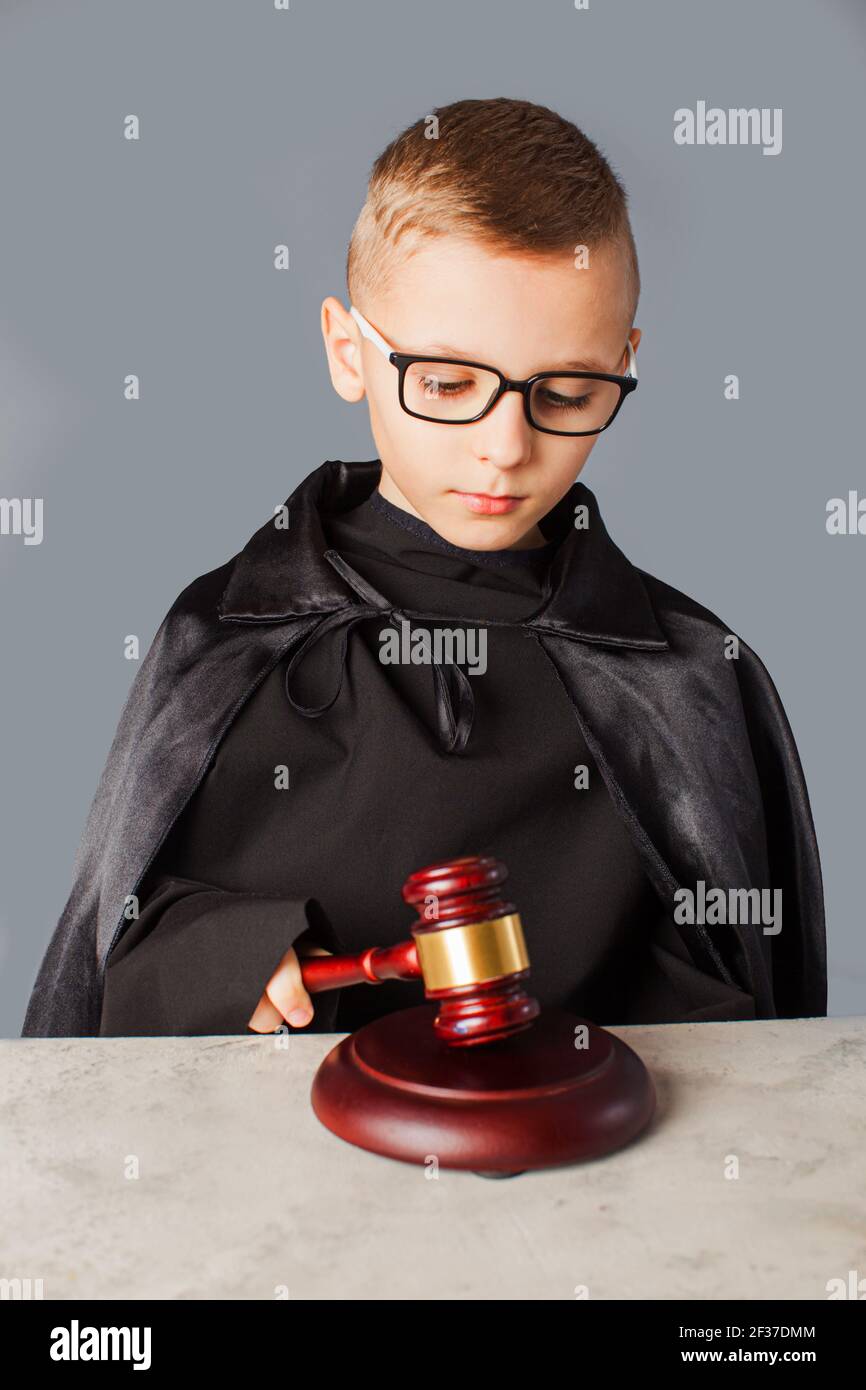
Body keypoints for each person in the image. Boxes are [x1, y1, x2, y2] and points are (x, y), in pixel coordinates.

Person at [22, 97, 826, 1039]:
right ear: (347, 350)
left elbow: (746, 1027)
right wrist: (223, 957)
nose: (505, 447)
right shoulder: (225, 635)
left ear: (625, 360)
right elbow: (114, 960)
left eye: (566, 391)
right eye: (447, 383)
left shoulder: (689, 673)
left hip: (590, 1172)